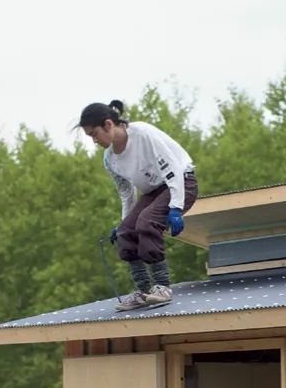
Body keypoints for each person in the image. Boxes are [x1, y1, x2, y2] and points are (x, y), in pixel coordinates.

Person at [78, 99, 198, 310]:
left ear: (108, 124)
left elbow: (173, 170)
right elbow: (126, 194)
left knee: (146, 222)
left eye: (94, 134)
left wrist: (176, 208)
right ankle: (142, 291)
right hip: (153, 192)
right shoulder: (109, 159)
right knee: (126, 231)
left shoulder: (142, 134)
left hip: (181, 182)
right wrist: (124, 222)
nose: (94, 141)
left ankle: (162, 287)